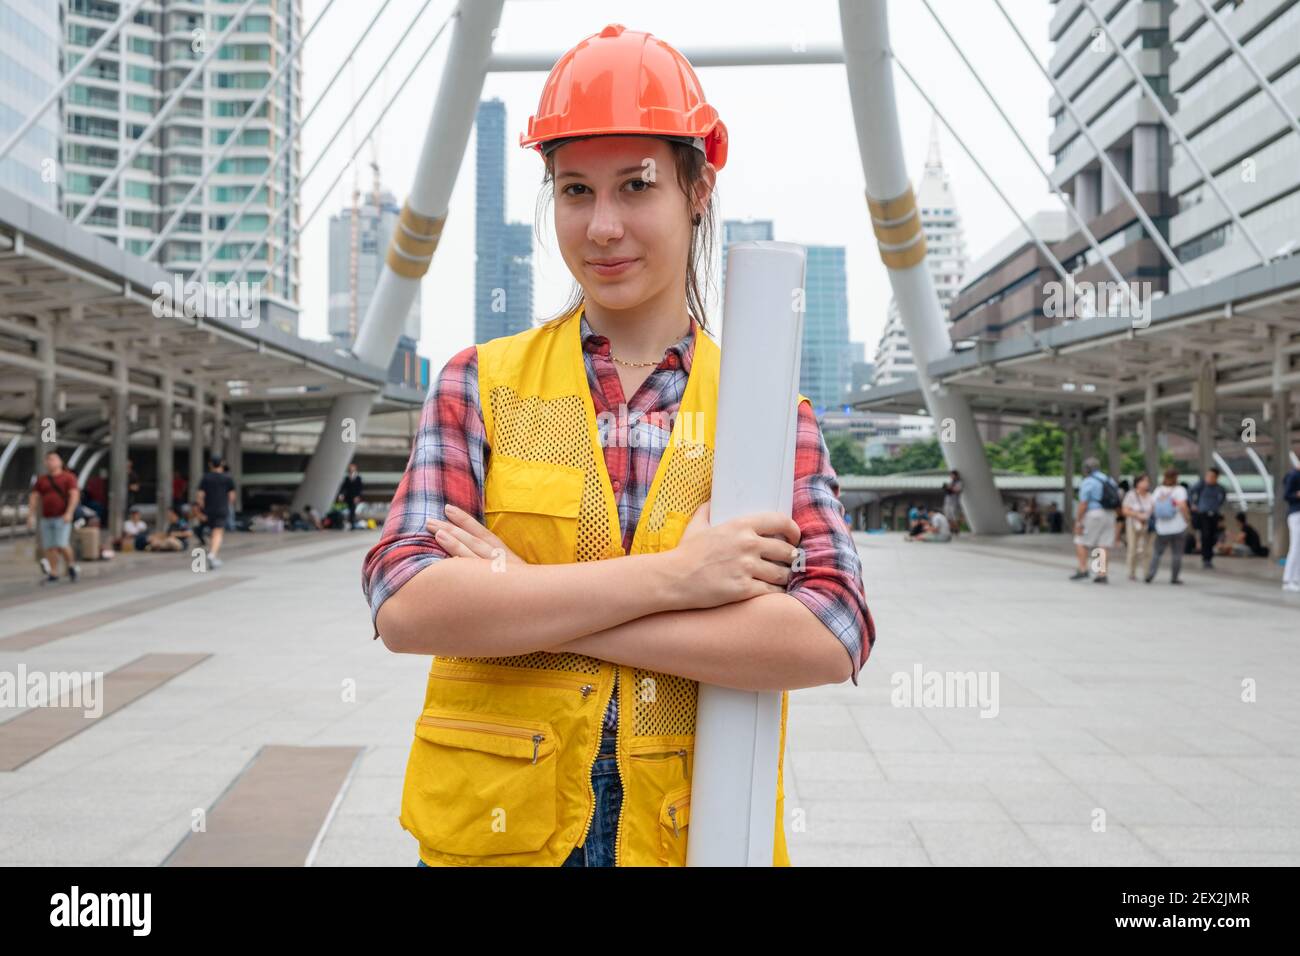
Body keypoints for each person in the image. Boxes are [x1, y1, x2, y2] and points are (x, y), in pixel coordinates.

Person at [363, 24, 874, 870]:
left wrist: (525, 601)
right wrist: (677, 581)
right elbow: (407, 604)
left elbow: (829, 634)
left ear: (697, 188)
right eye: (573, 190)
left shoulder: (769, 412)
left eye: (636, 185)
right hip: (498, 835)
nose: (602, 226)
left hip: (678, 837)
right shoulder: (478, 384)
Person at [26, 450, 82, 584]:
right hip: (46, 517)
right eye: (48, 459)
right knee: (50, 546)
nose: (50, 462)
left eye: (53, 459)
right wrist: (30, 515)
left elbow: (74, 495)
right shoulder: (42, 480)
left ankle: (71, 565)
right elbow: (34, 497)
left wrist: (69, 512)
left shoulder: (68, 477)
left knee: (62, 544)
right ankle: (53, 572)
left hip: (62, 516)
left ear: (60, 462)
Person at [1070, 456, 1119, 583]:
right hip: (1109, 514)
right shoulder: (1108, 479)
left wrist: (1079, 521)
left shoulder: (1088, 481)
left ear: (1086, 469)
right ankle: (1101, 573)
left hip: (1094, 513)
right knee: (1102, 544)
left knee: (1081, 541)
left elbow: (1083, 503)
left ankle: (1083, 569)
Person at [1146, 466, 1191, 584]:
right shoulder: (1180, 490)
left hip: (1162, 528)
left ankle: (1150, 574)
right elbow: (1183, 507)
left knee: (1157, 553)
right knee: (1177, 554)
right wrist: (1187, 520)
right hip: (1178, 526)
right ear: (1176, 477)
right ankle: (1174, 577)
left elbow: (1152, 507)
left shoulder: (1158, 490)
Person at [196, 456, 236, 569]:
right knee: (218, 533)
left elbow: (200, 496)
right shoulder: (227, 478)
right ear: (222, 464)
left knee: (211, 532)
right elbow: (232, 497)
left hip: (208, 510)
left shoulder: (206, 478)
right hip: (221, 509)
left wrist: (201, 510)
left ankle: (211, 554)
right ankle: (212, 555)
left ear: (210, 464)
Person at [1189, 466, 1228, 570]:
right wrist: (1193, 504)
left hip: (1214, 514)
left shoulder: (1219, 488)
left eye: (1212, 476)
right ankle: (1206, 558)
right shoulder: (1201, 485)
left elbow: (1223, 496)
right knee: (1205, 535)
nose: (1209, 478)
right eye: (1208, 476)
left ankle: (1209, 557)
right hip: (1203, 514)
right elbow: (1191, 491)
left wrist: (1217, 506)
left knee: (1212, 536)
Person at [1121, 473, 1154, 580]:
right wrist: (1137, 515)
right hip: (1133, 525)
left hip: (1147, 525)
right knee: (1132, 548)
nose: (1146, 484)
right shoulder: (1131, 495)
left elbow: (1153, 510)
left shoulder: (1150, 496)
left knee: (1148, 550)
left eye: (1147, 481)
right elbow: (1125, 510)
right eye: (1144, 481)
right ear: (1137, 483)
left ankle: (1146, 572)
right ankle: (1131, 572)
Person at [1282, 462, 1300, 592]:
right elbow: (1286, 495)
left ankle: (1296, 579)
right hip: (1295, 514)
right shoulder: (1293, 475)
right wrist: (1297, 495)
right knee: (1295, 546)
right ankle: (1288, 580)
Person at [340, 462, 365, 530]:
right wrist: (342, 495)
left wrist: (357, 496)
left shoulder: (358, 478)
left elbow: (360, 488)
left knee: (352, 510)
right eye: (350, 468)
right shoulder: (347, 478)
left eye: (352, 467)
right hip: (348, 496)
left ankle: (352, 524)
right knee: (350, 510)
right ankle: (351, 523)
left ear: (355, 468)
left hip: (355, 497)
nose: (351, 469)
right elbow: (344, 487)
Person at [942, 469, 963, 537]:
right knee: (948, 517)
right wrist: (947, 487)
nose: (951, 476)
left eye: (953, 475)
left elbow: (957, 490)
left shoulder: (959, 482)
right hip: (948, 501)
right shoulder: (951, 482)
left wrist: (950, 488)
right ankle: (952, 529)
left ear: (956, 475)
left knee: (955, 517)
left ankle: (957, 530)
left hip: (954, 502)